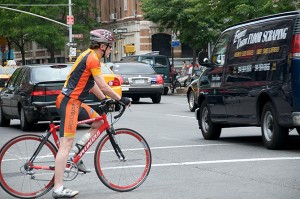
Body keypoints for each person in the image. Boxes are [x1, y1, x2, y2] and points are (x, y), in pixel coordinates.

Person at [53, 29, 131, 198]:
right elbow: (103, 85)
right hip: (71, 103)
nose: (111, 50)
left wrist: (104, 99)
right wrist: (120, 99)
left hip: (72, 101)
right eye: (110, 47)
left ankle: (75, 155)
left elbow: (91, 84)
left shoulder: (87, 55)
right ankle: (58, 188)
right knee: (65, 145)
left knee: (99, 123)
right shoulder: (93, 60)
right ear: (102, 46)